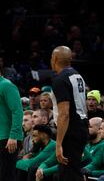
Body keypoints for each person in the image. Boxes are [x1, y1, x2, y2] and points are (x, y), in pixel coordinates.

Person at [50, 45, 89, 181]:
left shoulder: (60, 79)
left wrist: (59, 143)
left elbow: (64, 113)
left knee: (69, 175)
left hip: (71, 131)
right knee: (70, 172)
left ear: (54, 59)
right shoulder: (77, 75)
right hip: (81, 127)